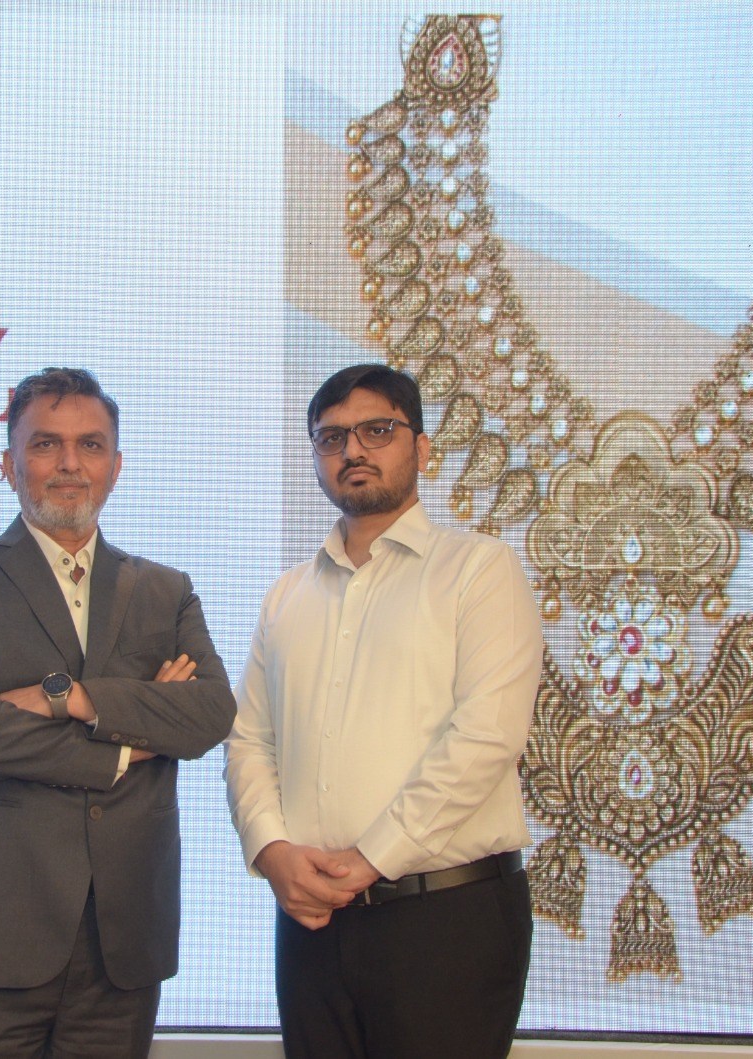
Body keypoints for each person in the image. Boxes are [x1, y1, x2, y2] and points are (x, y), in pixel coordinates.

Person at [0, 367, 236, 1059]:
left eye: (90, 445)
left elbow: (209, 713)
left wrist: (73, 697)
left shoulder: (165, 590)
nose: (69, 463)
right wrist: (132, 742)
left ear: (116, 466)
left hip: (122, 941)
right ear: (7, 465)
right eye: (45, 444)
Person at [224, 363, 543, 1058]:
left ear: (421, 448)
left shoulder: (479, 569)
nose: (353, 450)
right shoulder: (288, 595)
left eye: (377, 430)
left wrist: (373, 857)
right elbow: (248, 742)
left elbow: (486, 737)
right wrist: (272, 852)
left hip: (446, 921)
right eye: (331, 437)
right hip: (311, 925)